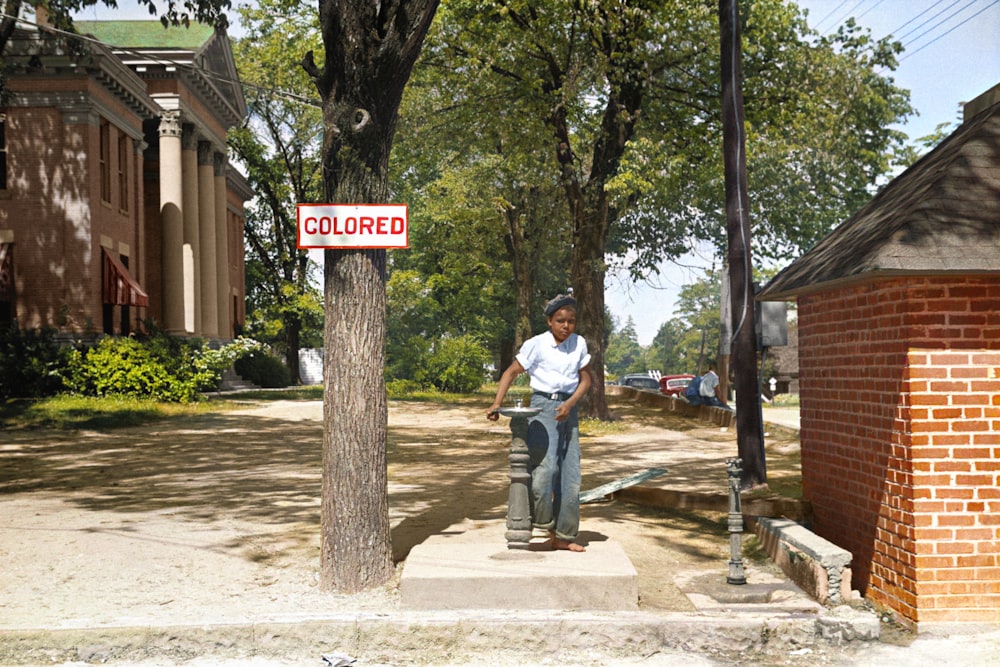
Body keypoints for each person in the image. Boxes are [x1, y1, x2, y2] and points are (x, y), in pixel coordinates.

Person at [487, 294, 592, 552]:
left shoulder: (579, 344)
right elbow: (511, 372)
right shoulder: (537, 344)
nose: (566, 326)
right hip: (542, 407)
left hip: (569, 408)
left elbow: (586, 380)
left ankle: (564, 535)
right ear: (549, 321)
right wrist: (496, 404)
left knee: (570, 475)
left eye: (571, 321)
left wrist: (570, 404)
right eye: (560, 321)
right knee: (544, 472)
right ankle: (544, 524)